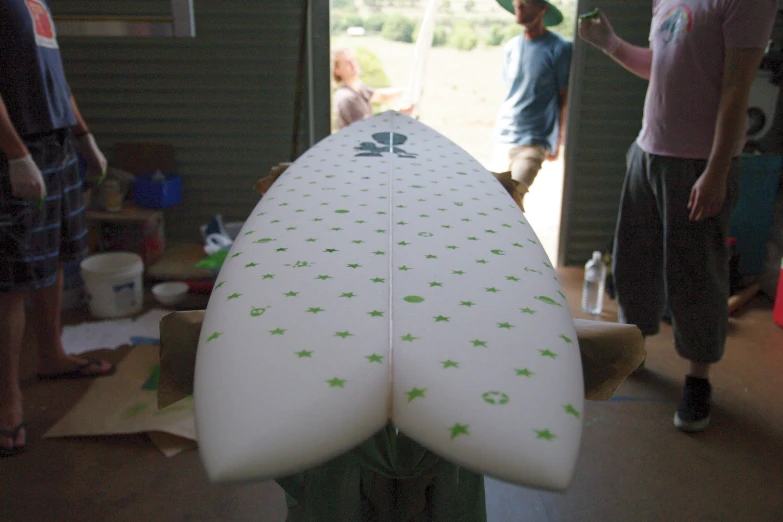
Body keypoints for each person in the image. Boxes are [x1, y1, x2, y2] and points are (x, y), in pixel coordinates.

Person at [579, 1, 776, 432]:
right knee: (634, 263)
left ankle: (697, 380)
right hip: (647, 151)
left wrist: (717, 170)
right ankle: (636, 353)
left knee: (696, 275)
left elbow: (735, 89)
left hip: (697, 163)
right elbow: (664, 68)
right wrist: (611, 45)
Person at [1, 0, 115, 456]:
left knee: (56, 259)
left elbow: (56, 81)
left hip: (58, 144)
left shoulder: (36, 3)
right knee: (10, 280)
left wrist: (84, 135)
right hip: (17, 150)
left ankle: (52, 354)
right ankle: (7, 402)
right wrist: (15, 155)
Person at [492, 0, 572, 211]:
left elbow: (565, 97)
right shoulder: (511, 47)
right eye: (517, 4)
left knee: (511, 200)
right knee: (492, 201)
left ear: (542, 9)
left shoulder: (560, 49)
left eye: (525, 3)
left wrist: (559, 137)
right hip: (505, 138)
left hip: (534, 141)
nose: (519, 8)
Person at [332, 46, 413, 130]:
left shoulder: (359, 88)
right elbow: (369, 129)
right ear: (336, 70)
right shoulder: (346, 98)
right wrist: (398, 116)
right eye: (347, 63)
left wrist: (407, 91)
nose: (353, 64)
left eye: (353, 60)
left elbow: (381, 96)